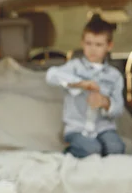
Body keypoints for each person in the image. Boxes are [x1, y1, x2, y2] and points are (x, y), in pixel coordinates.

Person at [46, 14, 125, 159]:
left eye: (98, 45)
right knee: (92, 149)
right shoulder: (75, 67)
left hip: (104, 128)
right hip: (77, 128)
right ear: (82, 43)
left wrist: (104, 102)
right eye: (88, 43)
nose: (93, 49)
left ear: (109, 46)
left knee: (116, 148)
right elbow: (51, 75)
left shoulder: (115, 76)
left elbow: (119, 109)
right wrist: (80, 83)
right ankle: (70, 152)